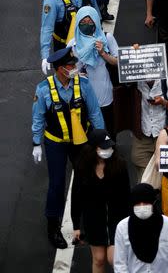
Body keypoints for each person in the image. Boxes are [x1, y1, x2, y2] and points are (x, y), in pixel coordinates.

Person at [31, 46, 104, 249]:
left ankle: (80, 225)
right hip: (55, 142)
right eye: (70, 65)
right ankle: (53, 228)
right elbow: (38, 118)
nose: (74, 68)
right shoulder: (44, 90)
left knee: (84, 181)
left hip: (80, 143)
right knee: (56, 184)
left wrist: (101, 139)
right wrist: (36, 143)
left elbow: (95, 113)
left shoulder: (83, 84)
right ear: (60, 69)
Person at [71, 128, 130, 271]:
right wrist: (76, 225)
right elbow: (76, 196)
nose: (108, 150)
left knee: (115, 259)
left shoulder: (120, 165)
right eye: (103, 147)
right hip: (93, 220)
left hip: (116, 219)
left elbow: (126, 195)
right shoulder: (82, 168)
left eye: (109, 146)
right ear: (93, 148)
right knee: (98, 259)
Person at [114, 183, 168, 272]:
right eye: (138, 203)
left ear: (153, 202)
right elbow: (120, 264)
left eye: (146, 202)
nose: (142, 206)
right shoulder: (122, 227)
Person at [40, 0, 98, 70]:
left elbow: (95, 13)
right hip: (64, 48)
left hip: (88, 42)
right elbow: (47, 28)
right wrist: (45, 56)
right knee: (69, 77)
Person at [70, 6, 118, 135]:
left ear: (96, 21)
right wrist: (77, 73)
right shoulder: (73, 44)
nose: (87, 25)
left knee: (108, 130)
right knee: (88, 132)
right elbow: (68, 71)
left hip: (104, 93)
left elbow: (118, 62)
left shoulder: (107, 38)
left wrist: (103, 53)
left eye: (90, 22)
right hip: (83, 95)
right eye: (83, 22)